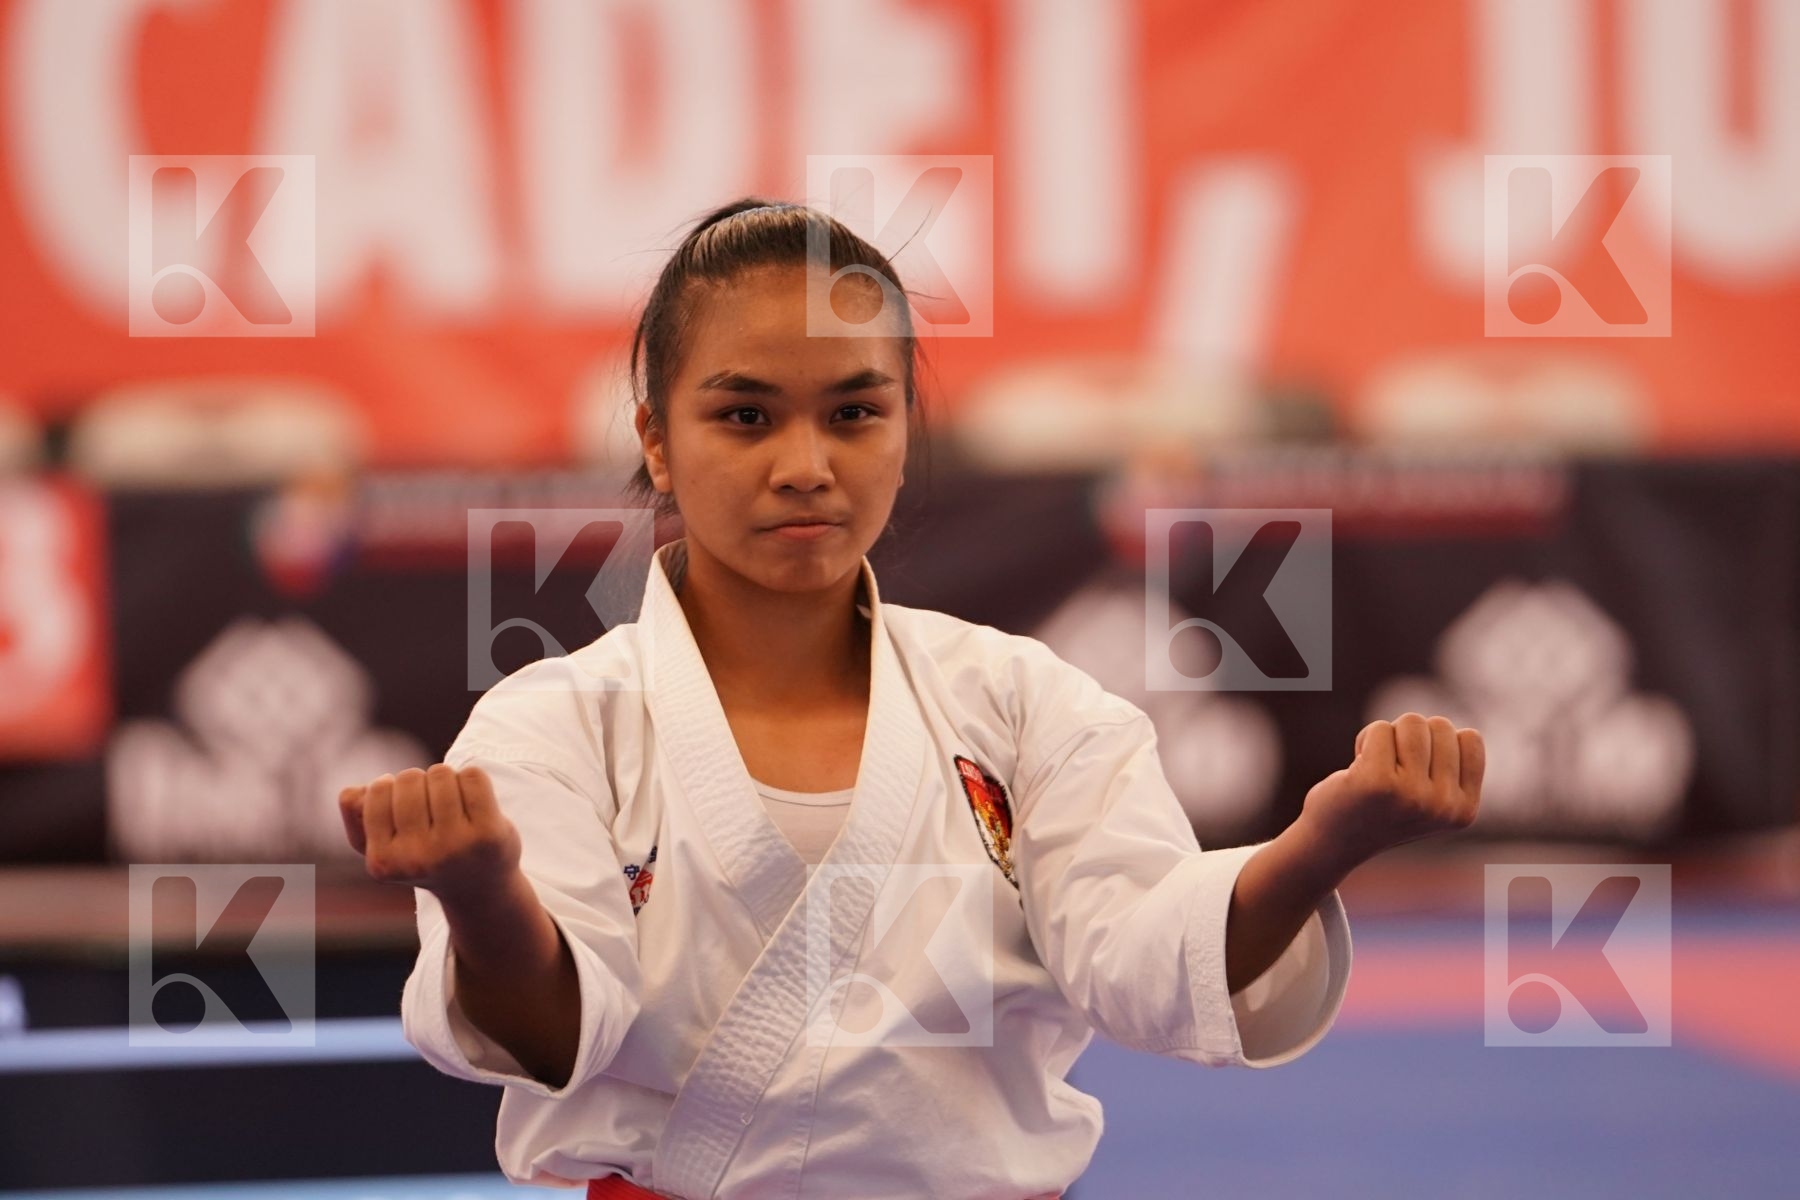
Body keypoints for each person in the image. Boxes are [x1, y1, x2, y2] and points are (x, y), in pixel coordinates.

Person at [337, 199, 1486, 1199]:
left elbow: (1146, 961)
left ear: (902, 430)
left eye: (854, 412)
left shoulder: (1025, 703)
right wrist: (483, 892)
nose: (805, 464)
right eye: (745, 415)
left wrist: (1322, 847)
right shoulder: (557, 726)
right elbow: (555, 1035)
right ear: (657, 437)